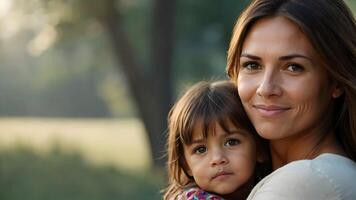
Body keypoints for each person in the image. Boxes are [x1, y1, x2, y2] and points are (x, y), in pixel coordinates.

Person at [226, 0, 356, 199]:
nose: (266, 88)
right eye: (252, 65)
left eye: (294, 67)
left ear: (335, 82)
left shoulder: (305, 182)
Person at [163, 80, 270, 200]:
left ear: (259, 148)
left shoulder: (276, 186)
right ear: (186, 164)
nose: (217, 159)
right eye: (200, 149)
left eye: (231, 142)